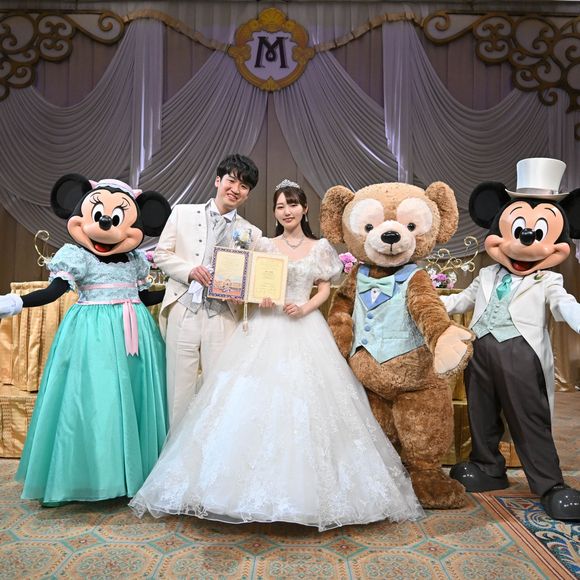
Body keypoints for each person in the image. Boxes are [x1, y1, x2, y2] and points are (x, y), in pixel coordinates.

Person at [129, 180, 424, 531]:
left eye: (293, 204)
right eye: (280, 206)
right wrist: (260, 297)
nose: (287, 211)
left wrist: (306, 306)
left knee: (312, 403)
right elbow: (250, 286)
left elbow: (324, 289)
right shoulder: (264, 244)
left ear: (304, 209)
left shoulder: (321, 247)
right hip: (266, 323)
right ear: (275, 211)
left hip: (305, 324)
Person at [0, 174, 171, 504]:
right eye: (99, 214)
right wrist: (16, 302)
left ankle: (131, 475)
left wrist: (179, 289)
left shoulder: (136, 261)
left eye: (117, 217)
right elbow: (54, 291)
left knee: (130, 401)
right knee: (97, 401)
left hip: (134, 333)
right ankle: (93, 476)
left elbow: (144, 296)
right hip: (92, 335)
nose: (106, 223)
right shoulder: (76, 256)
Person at [154, 154, 262, 426]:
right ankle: (175, 448)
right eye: (231, 181)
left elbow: (253, 278)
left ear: (248, 194)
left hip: (223, 317)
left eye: (244, 186)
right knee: (178, 390)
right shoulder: (183, 213)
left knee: (218, 389)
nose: (235, 189)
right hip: (184, 308)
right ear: (218, 180)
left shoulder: (252, 233)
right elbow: (161, 254)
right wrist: (190, 270)